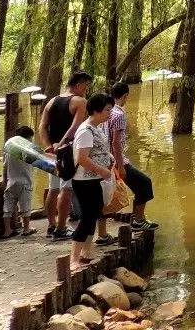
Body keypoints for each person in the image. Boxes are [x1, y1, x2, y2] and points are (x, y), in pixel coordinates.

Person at [38, 71, 91, 239]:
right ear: (79, 85)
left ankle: (51, 226)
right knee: (66, 189)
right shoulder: (80, 102)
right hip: (68, 151)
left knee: (53, 189)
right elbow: (75, 128)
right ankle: (61, 228)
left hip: (53, 152)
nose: (86, 91)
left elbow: (42, 127)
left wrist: (48, 147)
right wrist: (61, 145)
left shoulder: (51, 101)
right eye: (86, 87)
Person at [70, 92, 115, 270]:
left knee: (94, 214)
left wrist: (108, 158)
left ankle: (86, 251)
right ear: (96, 111)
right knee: (87, 218)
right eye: (107, 110)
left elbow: (99, 150)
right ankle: (74, 258)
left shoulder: (96, 128)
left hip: (95, 180)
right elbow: (82, 158)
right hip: (84, 181)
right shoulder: (85, 130)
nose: (109, 113)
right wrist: (101, 170)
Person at [106, 82, 157, 231]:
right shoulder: (119, 114)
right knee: (145, 184)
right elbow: (115, 142)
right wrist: (120, 166)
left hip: (107, 157)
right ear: (125, 96)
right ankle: (138, 220)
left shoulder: (106, 111)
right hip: (116, 159)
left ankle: (138, 218)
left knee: (139, 186)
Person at [1, 126, 37, 236]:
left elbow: (4, 166)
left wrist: (4, 181)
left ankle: (7, 230)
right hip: (24, 181)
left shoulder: (9, 147)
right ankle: (26, 229)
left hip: (10, 181)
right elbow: (39, 160)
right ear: (28, 137)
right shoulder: (28, 147)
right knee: (25, 206)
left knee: (7, 207)